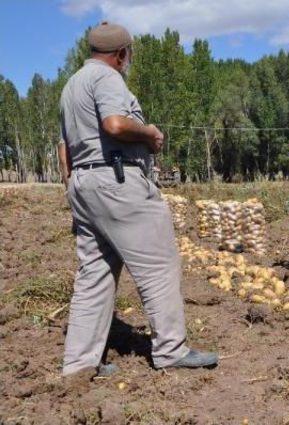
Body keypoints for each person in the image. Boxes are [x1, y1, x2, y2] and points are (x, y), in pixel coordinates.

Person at [59, 22, 217, 376]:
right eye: (128, 54)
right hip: (117, 179)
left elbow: (63, 148)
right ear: (120, 54)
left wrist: (73, 187)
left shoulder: (71, 87)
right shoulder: (108, 79)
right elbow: (114, 125)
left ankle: (79, 364)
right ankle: (171, 350)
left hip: (83, 184)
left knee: (94, 276)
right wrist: (150, 134)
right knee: (159, 265)